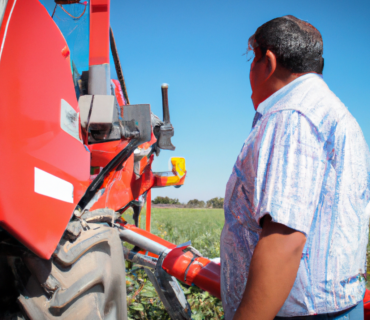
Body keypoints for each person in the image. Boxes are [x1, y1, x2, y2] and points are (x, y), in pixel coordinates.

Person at [220, 15, 370, 320]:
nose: (250, 71)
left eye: (253, 59)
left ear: (269, 61)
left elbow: (284, 241)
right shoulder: (332, 112)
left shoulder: (291, 114)